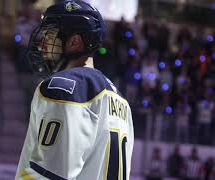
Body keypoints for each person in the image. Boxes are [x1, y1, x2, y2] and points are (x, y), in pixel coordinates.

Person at [15, 1, 134, 180]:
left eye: (50, 37)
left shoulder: (63, 88)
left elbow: (51, 175)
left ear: (74, 42)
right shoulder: (121, 101)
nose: (42, 45)